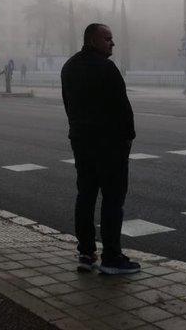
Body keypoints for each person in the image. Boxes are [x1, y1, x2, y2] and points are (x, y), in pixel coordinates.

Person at [61, 23, 140, 275]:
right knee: (113, 199)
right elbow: (122, 106)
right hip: (109, 145)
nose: (112, 43)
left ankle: (86, 252)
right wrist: (128, 138)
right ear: (93, 40)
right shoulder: (106, 68)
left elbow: (69, 105)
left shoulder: (69, 67)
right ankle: (112, 257)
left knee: (85, 195)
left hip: (81, 141)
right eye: (108, 38)